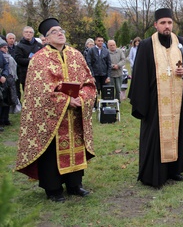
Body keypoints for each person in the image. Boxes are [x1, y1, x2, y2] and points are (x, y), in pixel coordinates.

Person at [15, 18, 97, 202]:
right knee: (51, 153)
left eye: (61, 30)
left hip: (75, 115)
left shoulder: (76, 55)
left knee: (76, 147)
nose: (60, 33)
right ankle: (53, 189)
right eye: (54, 31)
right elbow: (38, 91)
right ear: (45, 38)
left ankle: (75, 185)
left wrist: (81, 98)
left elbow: (89, 82)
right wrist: (66, 100)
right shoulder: (39, 59)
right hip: (52, 118)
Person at [129, 8, 183, 188]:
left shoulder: (180, 43)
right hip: (155, 101)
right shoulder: (145, 45)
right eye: (163, 23)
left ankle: (175, 171)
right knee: (155, 136)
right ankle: (154, 174)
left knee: (177, 135)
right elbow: (139, 75)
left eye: (169, 23)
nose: (167, 26)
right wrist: (143, 102)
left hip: (177, 101)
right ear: (156, 25)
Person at [86, 36, 111, 111]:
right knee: (95, 90)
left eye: (102, 41)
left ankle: (104, 105)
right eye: (99, 41)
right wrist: (92, 75)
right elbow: (89, 63)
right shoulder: (92, 51)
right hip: (95, 74)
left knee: (104, 90)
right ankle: (94, 106)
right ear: (95, 41)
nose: (100, 42)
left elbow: (109, 64)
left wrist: (108, 76)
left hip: (104, 74)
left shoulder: (106, 51)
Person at [14, 26, 43, 91]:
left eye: (30, 32)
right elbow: (18, 59)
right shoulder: (19, 46)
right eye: (26, 32)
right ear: (23, 33)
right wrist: (32, 60)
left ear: (33, 34)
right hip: (26, 74)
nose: (28, 33)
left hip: (38, 73)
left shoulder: (39, 45)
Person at [0, 38, 18, 129]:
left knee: (6, 100)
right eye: (4, 47)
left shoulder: (3, 55)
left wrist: (4, 74)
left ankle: (5, 119)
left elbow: (6, 65)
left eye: (6, 47)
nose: (6, 49)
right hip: (2, 80)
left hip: (6, 80)